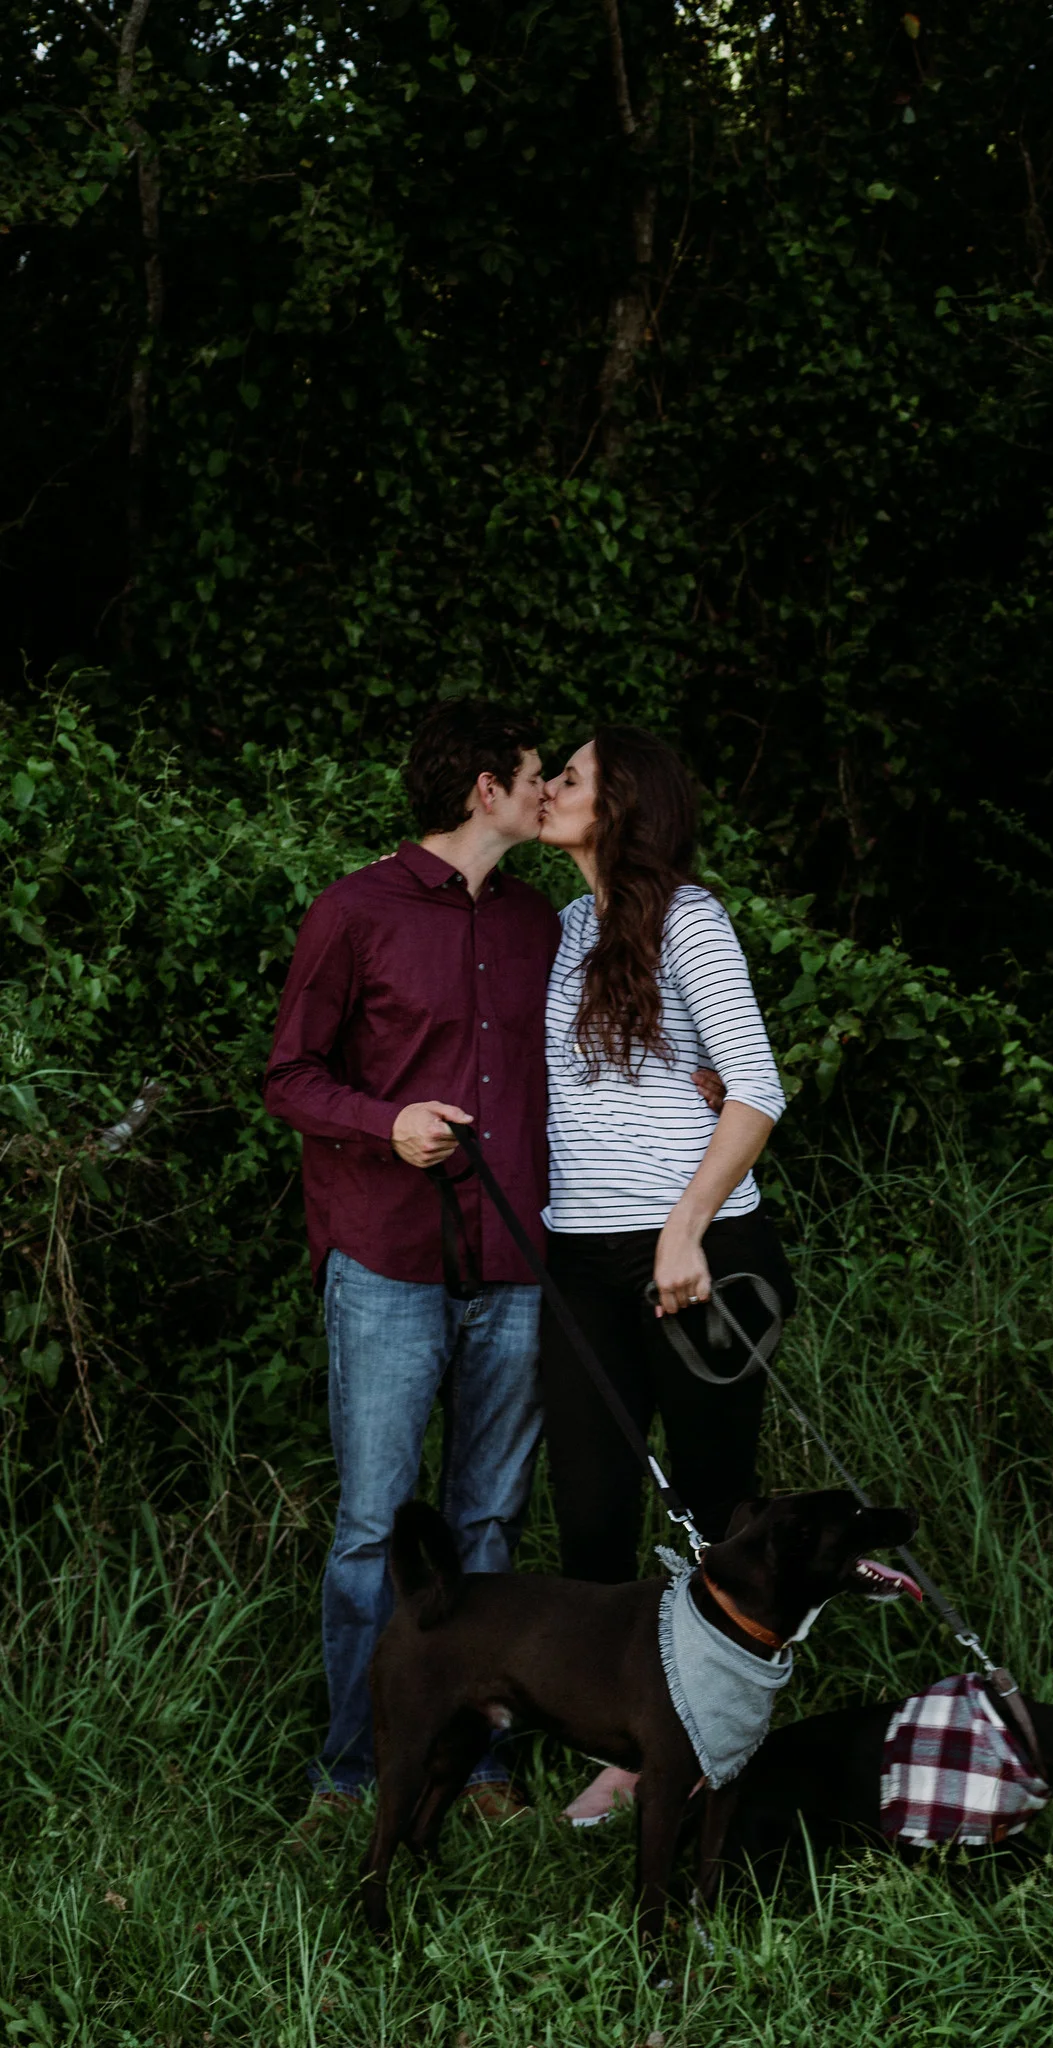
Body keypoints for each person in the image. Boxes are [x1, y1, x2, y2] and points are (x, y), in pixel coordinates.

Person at [263, 700, 560, 1821]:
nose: (547, 791)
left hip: (520, 1265)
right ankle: (349, 1768)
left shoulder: (542, 920)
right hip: (386, 1263)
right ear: (485, 786)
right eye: (535, 773)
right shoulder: (354, 911)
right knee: (377, 1526)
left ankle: (480, 1763)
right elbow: (289, 1075)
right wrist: (385, 1122)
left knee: (489, 1524)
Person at [536, 725, 795, 1824]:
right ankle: (618, 1730)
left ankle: (703, 1743)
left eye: (572, 776)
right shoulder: (557, 929)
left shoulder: (691, 920)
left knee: (710, 1512)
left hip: (700, 1256)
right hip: (580, 1259)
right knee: (591, 1511)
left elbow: (757, 1089)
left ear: (624, 803)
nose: (548, 786)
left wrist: (685, 1225)